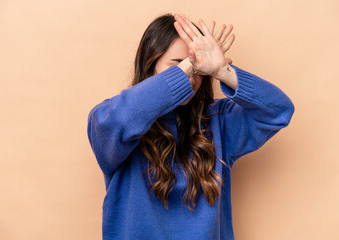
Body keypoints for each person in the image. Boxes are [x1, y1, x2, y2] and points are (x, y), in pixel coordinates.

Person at [87, 13, 295, 240]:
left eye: (198, 68)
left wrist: (222, 72)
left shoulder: (219, 120)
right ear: (150, 64)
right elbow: (116, 122)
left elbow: (278, 111)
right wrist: (181, 76)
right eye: (179, 65)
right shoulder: (114, 119)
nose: (192, 77)